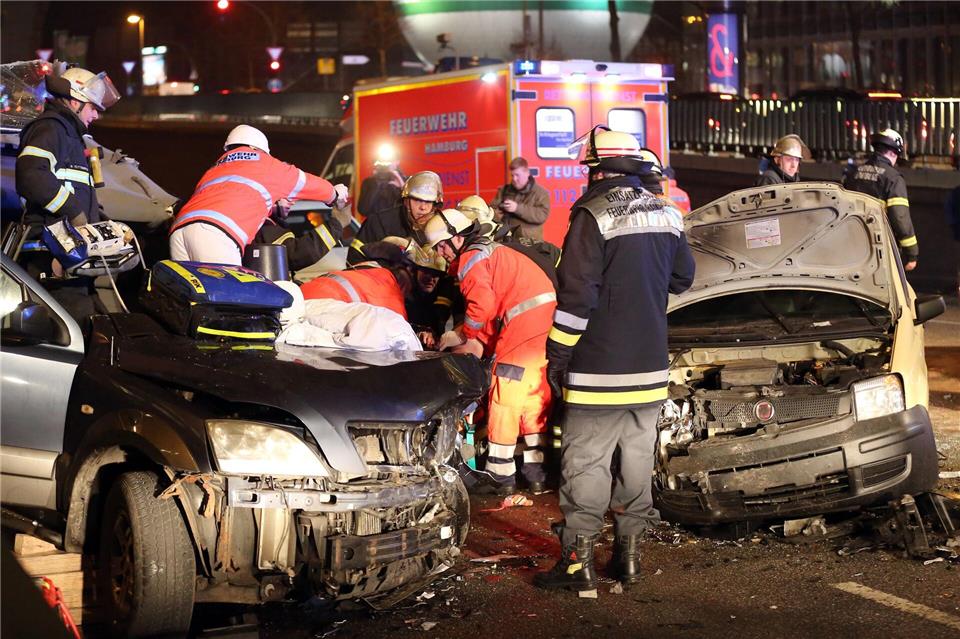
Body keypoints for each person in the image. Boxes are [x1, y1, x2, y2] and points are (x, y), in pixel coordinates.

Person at [533, 126, 695, 593]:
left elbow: (577, 297)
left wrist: (558, 354)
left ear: (598, 170)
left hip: (599, 370)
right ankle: (628, 558)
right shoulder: (667, 212)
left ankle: (577, 563)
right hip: (650, 369)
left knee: (587, 463)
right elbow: (683, 278)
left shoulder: (592, 214)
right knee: (637, 462)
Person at [425, 208, 556, 496]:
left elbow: (481, 307)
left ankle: (500, 475)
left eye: (442, 246)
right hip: (542, 324)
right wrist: (474, 334)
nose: (441, 253)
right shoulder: (491, 252)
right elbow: (492, 312)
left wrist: (464, 335)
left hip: (523, 326)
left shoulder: (471, 258)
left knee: (504, 396)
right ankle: (535, 474)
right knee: (532, 399)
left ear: (457, 238)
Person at [15, 66, 121, 319]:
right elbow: (31, 176)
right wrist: (74, 212)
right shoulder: (51, 128)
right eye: (93, 107)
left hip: (71, 256)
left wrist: (101, 223)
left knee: (94, 322)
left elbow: (74, 188)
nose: (96, 115)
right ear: (75, 102)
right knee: (72, 328)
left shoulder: (71, 136)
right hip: (51, 256)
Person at [169, 125, 347, 265]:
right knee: (230, 297)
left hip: (179, 231)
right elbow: (310, 184)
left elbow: (235, 200)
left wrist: (274, 210)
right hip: (216, 233)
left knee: (192, 297)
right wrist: (335, 193)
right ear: (257, 148)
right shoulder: (267, 165)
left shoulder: (215, 169)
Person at [843, 129, 919, 271]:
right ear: (893, 153)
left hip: (851, 243)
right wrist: (912, 253)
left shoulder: (853, 173)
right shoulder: (893, 178)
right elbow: (900, 217)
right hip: (879, 247)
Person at [347, 171, 443, 265]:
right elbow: (354, 260)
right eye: (417, 200)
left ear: (435, 204)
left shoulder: (441, 228)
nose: (423, 207)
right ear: (406, 201)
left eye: (428, 201)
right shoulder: (378, 222)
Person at [249, 199, 343, 272]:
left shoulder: (269, 223)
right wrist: (336, 224)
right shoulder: (264, 225)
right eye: (286, 197)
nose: (292, 202)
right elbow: (295, 254)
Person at [490, 157, 551, 241]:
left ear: (527, 173)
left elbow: (541, 215)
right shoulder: (504, 190)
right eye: (512, 175)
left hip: (530, 243)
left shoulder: (540, 193)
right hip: (506, 241)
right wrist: (499, 212)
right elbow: (491, 211)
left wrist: (517, 208)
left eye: (517, 175)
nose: (514, 179)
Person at [356, 145, 405, 219]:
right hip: (375, 225)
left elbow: (409, 211)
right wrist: (376, 185)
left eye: (389, 160)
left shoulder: (403, 181)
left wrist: (401, 187)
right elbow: (363, 210)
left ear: (397, 161)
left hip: (395, 225)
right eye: (381, 161)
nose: (385, 164)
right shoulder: (369, 183)